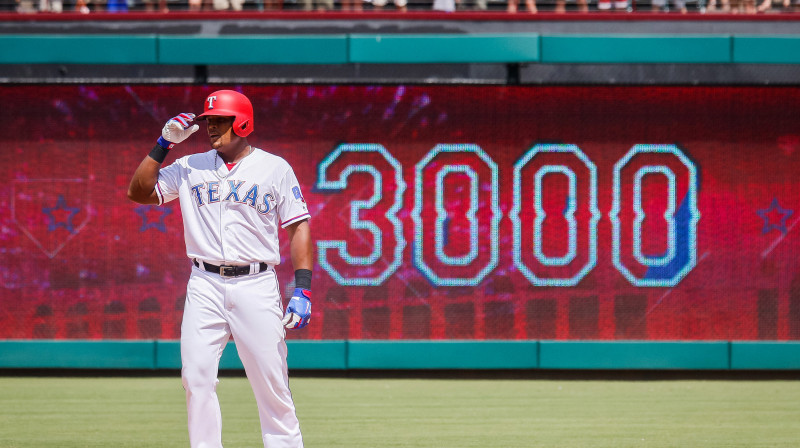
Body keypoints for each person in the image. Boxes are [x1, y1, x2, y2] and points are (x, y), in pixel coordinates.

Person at [127, 89, 313, 448]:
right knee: (195, 379)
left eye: (219, 120)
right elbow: (139, 192)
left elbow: (298, 226)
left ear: (242, 122)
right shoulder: (188, 167)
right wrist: (162, 144)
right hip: (204, 283)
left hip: (256, 284)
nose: (211, 127)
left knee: (271, 383)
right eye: (208, 120)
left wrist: (302, 288)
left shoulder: (275, 168)